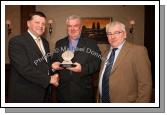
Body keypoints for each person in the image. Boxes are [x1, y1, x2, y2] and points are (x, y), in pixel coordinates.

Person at [8, 11, 59, 103]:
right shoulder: (17, 42)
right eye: (37, 22)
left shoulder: (45, 42)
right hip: (26, 95)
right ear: (28, 23)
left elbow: (42, 64)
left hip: (45, 93)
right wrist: (49, 79)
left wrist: (52, 67)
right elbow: (24, 69)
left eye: (43, 23)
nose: (41, 26)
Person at [97, 21, 152, 103]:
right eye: (109, 33)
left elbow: (145, 85)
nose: (112, 37)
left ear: (125, 34)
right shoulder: (105, 53)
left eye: (117, 33)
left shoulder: (138, 51)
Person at [52, 15, 101, 103]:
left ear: (81, 27)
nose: (72, 29)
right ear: (67, 28)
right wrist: (54, 67)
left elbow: (97, 62)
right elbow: (54, 60)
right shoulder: (59, 43)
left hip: (84, 92)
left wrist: (83, 69)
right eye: (70, 26)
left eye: (75, 26)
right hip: (63, 91)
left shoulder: (91, 43)